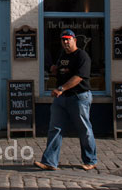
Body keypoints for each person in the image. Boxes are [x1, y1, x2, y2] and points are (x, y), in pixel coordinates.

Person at [34, 29, 97, 171]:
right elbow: (60, 71)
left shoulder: (82, 56)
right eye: (63, 39)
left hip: (79, 97)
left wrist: (61, 88)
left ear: (75, 40)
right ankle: (50, 161)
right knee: (55, 129)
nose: (66, 42)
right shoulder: (62, 54)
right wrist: (54, 69)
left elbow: (79, 77)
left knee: (84, 129)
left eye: (68, 39)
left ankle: (91, 160)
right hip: (61, 99)